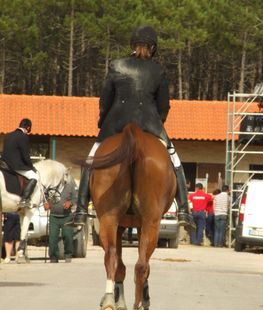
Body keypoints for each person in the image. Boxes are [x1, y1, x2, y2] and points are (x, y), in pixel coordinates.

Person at [69, 25, 195, 232]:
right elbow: (163, 104)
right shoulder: (158, 69)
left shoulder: (116, 65)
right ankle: (184, 211)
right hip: (150, 123)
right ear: (153, 47)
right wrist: (158, 122)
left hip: (115, 122)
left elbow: (105, 99)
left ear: (132, 45)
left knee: (92, 160)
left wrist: (103, 120)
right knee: (175, 160)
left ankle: (81, 210)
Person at [1, 118, 39, 208]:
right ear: (28, 127)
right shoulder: (23, 136)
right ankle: (24, 200)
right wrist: (31, 167)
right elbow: (25, 155)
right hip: (15, 165)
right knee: (34, 176)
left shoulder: (8, 135)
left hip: (4, 163)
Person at [44, 178, 77, 263]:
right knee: (52, 237)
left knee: (68, 236)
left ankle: (68, 255)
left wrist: (70, 203)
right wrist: (46, 204)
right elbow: (45, 198)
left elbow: (75, 198)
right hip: (53, 216)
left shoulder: (70, 186)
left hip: (67, 216)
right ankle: (53, 257)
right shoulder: (51, 187)